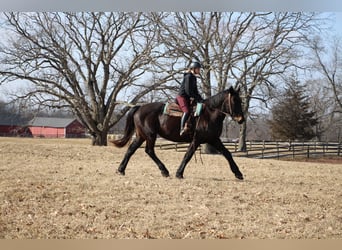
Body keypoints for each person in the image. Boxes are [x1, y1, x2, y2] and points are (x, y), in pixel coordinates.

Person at [176, 61, 204, 136]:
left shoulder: (193, 77)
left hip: (187, 97)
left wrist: (201, 99)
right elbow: (188, 91)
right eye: (198, 69)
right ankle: (182, 129)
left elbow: (195, 91)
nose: (199, 70)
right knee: (187, 111)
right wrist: (195, 97)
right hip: (182, 97)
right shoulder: (188, 76)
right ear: (193, 69)